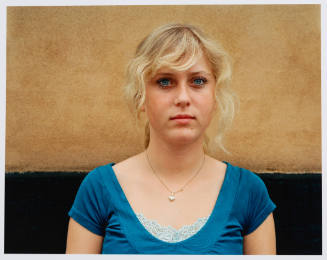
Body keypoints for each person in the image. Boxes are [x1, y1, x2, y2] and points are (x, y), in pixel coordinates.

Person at [65, 23, 276, 255]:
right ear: (141, 97)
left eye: (198, 81)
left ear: (215, 96)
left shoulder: (249, 193)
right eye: (165, 81)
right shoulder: (98, 189)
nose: (183, 98)